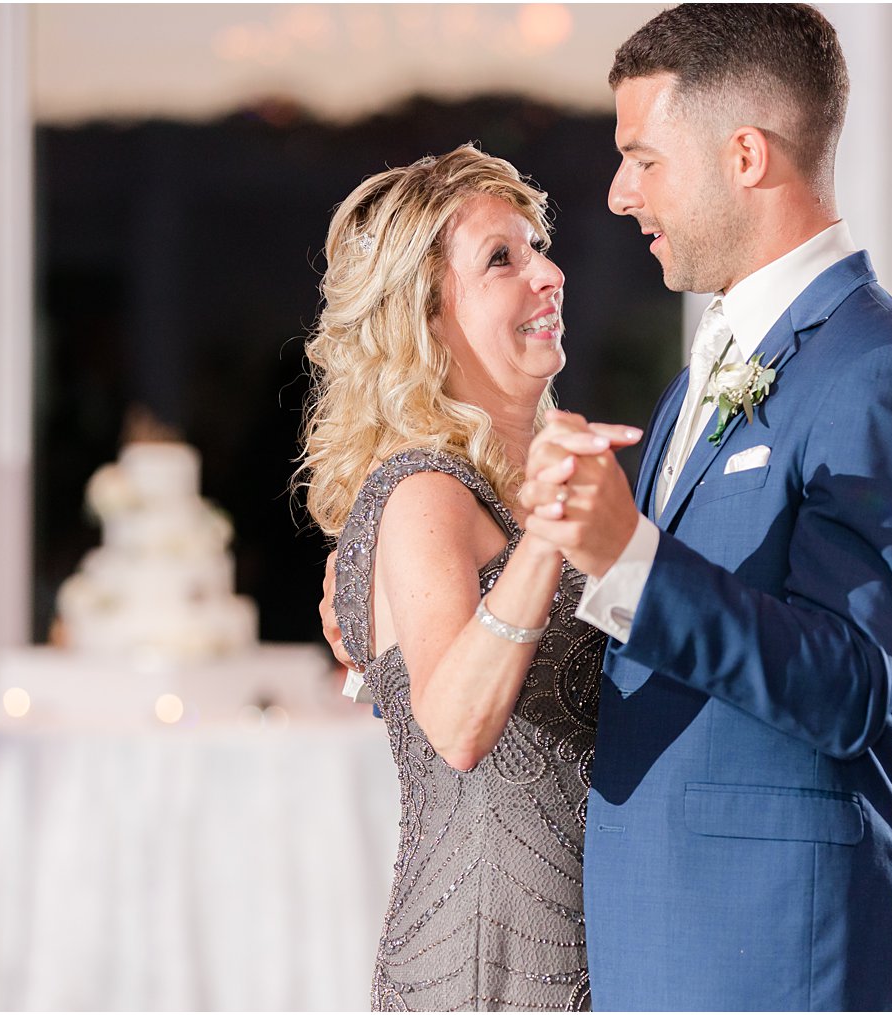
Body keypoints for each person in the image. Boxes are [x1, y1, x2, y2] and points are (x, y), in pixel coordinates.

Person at [515, 5, 892, 1010]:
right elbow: (658, 646)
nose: (615, 192)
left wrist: (627, 554)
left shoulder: (886, 373)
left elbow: (849, 683)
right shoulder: (706, 373)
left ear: (742, 155)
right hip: (669, 945)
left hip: (788, 956)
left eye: (641, 159)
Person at [298, 145, 637, 1011]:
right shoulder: (424, 493)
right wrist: (546, 542)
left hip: (604, 942)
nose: (549, 272)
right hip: (484, 960)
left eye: (537, 247)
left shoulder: (562, 486)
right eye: (502, 259)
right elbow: (453, 724)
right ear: (427, 316)